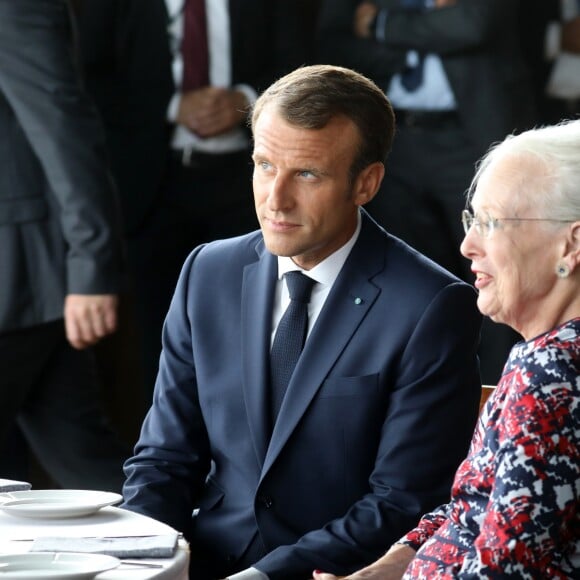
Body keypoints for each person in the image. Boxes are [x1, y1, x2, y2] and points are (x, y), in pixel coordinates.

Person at [121, 64, 483, 579]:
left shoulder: (430, 305)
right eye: (264, 165)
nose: (275, 199)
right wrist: (139, 562)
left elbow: (401, 502)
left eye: (306, 174)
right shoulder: (208, 271)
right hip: (197, 563)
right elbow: (164, 460)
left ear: (366, 183)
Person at [313, 120, 580, 579]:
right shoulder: (543, 357)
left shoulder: (553, 372)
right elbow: (473, 509)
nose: (467, 245)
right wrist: (392, 567)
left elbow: (503, 573)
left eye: (491, 223)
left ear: (571, 244)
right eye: (471, 220)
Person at [76, 0, 316, 402]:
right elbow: (89, 77)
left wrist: (247, 100)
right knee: (159, 330)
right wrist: (171, 106)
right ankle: (167, 446)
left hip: (250, 185)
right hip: (151, 186)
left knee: (258, 324)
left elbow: (306, 63)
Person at [316, 0, 536, 385]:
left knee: (498, 269)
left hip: (474, 137)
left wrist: (383, 25)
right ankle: (425, 392)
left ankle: (501, 399)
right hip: (391, 142)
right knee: (406, 280)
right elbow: (335, 42)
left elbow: (474, 23)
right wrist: (427, 31)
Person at [0, 0, 130, 491]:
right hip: (24, 288)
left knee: (82, 459)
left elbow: (62, 127)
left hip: (22, 278)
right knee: (84, 459)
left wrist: (91, 265)